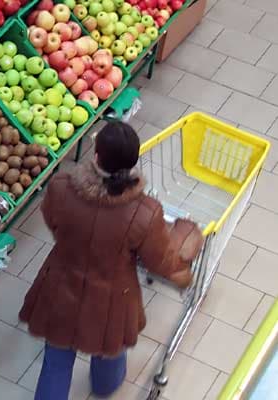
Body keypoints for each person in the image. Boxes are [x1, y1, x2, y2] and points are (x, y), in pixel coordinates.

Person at [19, 121, 204, 399]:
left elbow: (54, 223)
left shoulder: (61, 188)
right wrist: (184, 256)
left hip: (59, 288)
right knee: (110, 346)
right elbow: (158, 261)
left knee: (55, 364)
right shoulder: (145, 212)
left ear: (96, 157)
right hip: (113, 300)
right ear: (133, 164)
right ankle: (105, 386)